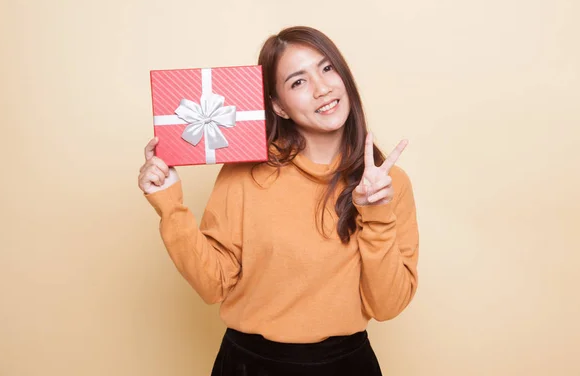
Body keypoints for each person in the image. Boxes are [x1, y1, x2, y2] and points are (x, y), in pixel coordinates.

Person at [138, 26, 419, 376]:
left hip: (346, 365)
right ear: (278, 106)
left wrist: (376, 213)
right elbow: (212, 285)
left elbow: (387, 305)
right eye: (298, 82)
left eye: (327, 68)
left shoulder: (388, 184)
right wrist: (169, 204)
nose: (322, 88)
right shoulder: (246, 174)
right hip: (251, 365)